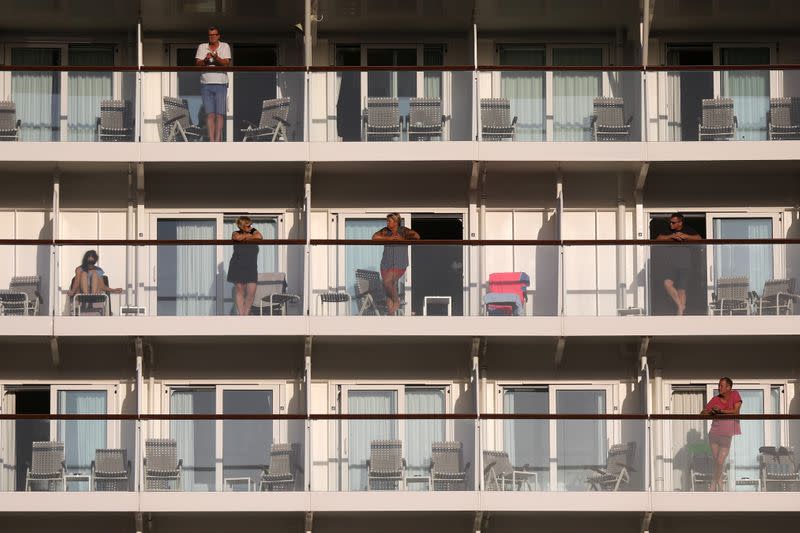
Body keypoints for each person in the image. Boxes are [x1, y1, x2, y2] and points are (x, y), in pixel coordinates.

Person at [372, 213, 420, 315]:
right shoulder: (385, 231)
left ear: (396, 222)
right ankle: (391, 316)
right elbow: (374, 237)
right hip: (385, 263)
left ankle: (397, 301)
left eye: (389, 221)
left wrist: (403, 240)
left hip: (399, 263)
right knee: (388, 292)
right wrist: (389, 239)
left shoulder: (403, 230)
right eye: (387, 221)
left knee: (387, 282)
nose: (387, 223)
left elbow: (417, 236)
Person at [700, 377, 742, 492]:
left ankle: (715, 481)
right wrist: (711, 411)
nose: (719, 388)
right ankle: (719, 479)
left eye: (721, 386)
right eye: (718, 385)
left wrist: (720, 411)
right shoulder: (715, 399)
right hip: (714, 432)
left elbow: (736, 412)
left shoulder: (735, 395)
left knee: (720, 461)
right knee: (716, 460)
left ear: (729, 387)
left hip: (727, 433)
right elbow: (702, 413)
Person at [655, 213, 701, 315]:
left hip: (685, 264)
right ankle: (680, 306)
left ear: (680, 223)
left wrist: (685, 236)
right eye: (670, 222)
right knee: (667, 284)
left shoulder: (688, 229)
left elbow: (699, 239)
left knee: (681, 289)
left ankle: (680, 314)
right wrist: (672, 236)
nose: (671, 224)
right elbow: (658, 239)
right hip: (670, 264)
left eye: (673, 222)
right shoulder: (668, 230)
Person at [195, 25, 231, 142]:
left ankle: (218, 141)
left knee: (219, 114)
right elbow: (197, 64)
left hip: (221, 83)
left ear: (218, 36)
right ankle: (212, 141)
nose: (212, 37)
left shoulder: (225, 46)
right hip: (206, 83)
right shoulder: (202, 47)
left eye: (214, 35)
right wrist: (205, 60)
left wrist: (216, 58)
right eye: (210, 35)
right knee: (210, 114)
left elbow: (226, 64)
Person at [228, 216, 262, 316]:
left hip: (251, 266)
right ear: (242, 226)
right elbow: (237, 238)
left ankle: (245, 314)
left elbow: (259, 236)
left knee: (251, 291)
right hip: (238, 265)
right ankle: (241, 314)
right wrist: (250, 237)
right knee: (240, 289)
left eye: (251, 225)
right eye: (248, 225)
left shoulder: (254, 231)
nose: (250, 226)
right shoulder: (235, 233)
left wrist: (248, 234)